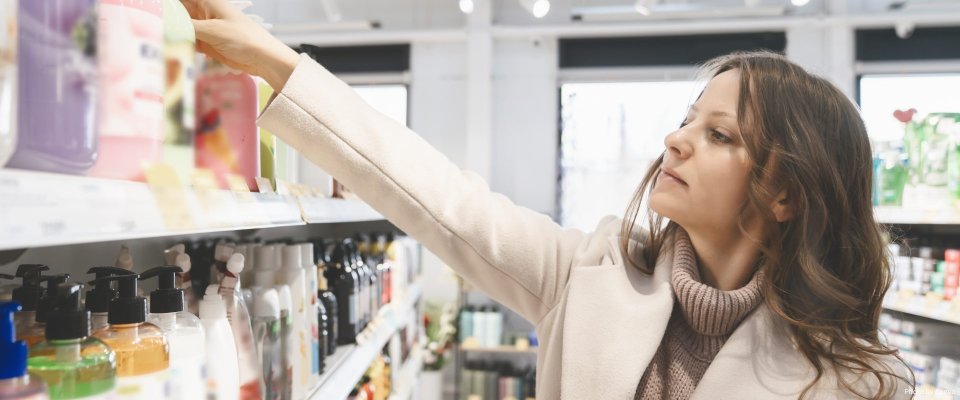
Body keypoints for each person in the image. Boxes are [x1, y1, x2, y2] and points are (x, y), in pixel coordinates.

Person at [180, 0, 914, 398]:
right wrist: (278, 64)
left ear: (786, 191)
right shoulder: (586, 275)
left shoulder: (857, 384)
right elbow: (441, 196)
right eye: (688, 119)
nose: (677, 139)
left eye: (719, 134)